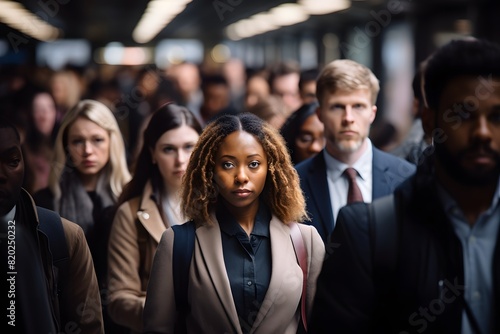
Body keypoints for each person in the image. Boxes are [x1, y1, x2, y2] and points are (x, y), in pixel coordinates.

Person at [309, 38, 500, 333]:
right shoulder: (374, 228)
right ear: (429, 121)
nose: (483, 133)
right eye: (463, 115)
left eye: (497, 117)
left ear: (372, 112)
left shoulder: (399, 176)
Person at [143, 113, 325, 333]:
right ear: (210, 171)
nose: (241, 176)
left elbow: (322, 324)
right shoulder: (177, 243)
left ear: (271, 168)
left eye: (254, 164)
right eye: (228, 164)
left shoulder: (305, 240)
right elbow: (157, 328)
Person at [33, 99, 131, 332]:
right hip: (65, 318)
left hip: (123, 321)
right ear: (65, 145)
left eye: (97, 140)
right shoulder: (44, 201)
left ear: (112, 142)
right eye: (77, 141)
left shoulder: (131, 199)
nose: (87, 150)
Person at [0, 118, 104, 333]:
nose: (1, 175)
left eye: (12, 161)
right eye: (78, 142)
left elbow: (87, 325)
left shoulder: (64, 236)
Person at [295, 59, 416, 241]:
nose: (348, 118)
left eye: (358, 106)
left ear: (372, 114)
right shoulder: (294, 183)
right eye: (337, 107)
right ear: (320, 115)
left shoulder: (407, 178)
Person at [107, 103, 202, 333]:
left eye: (189, 147)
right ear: (152, 153)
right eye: (168, 149)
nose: (180, 159)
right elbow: (119, 299)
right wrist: (175, 313)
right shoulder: (130, 214)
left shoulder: (224, 205)